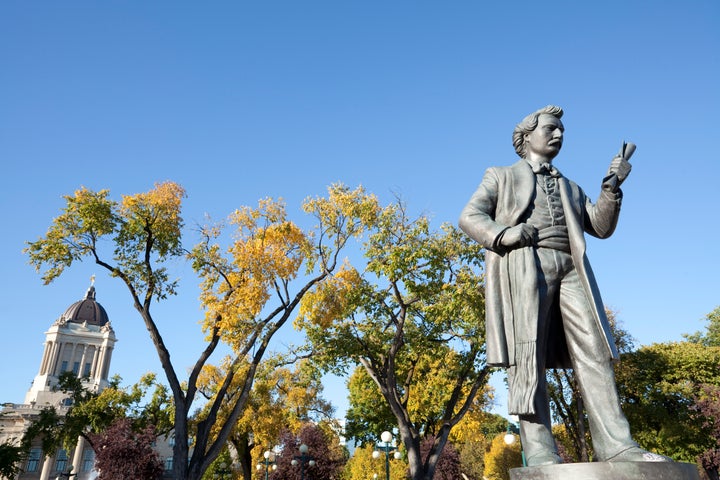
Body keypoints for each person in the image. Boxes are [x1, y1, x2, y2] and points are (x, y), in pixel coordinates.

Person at [459, 105, 669, 466]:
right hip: (526, 264)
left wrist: (611, 187)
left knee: (595, 350)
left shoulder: (570, 187)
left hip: (572, 269)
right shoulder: (500, 175)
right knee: (529, 358)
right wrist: (505, 234)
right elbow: (469, 216)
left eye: (562, 131)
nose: (559, 135)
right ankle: (541, 453)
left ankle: (618, 446)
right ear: (527, 138)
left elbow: (599, 227)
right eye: (552, 129)